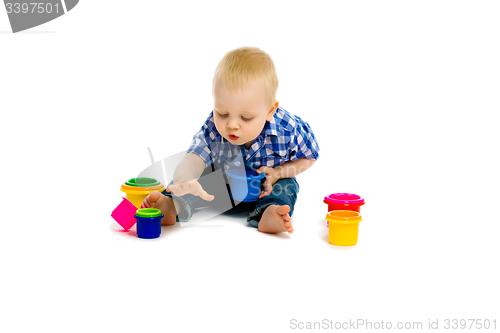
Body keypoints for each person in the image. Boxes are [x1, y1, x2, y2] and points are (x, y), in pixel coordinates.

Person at [142, 47, 319, 234]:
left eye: (246, 118)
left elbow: (310, 155)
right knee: (195, 181)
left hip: (265, 187)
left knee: (287, 185)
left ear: (270, 111)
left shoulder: (288, 129)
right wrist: (185, 180)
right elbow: (193, 159)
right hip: (223, 188)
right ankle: (172, 206)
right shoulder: (212, 127)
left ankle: (269, 212)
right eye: (223, 113)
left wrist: (278, 172)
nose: (232, 125)